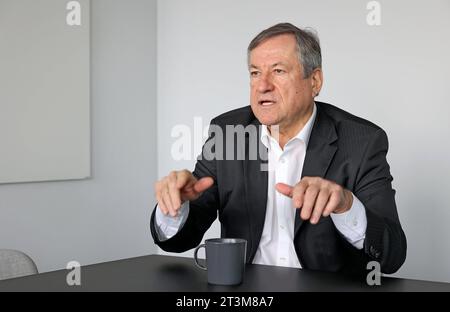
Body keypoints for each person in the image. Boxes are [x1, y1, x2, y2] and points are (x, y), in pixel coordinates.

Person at [150, 23, 407, 275]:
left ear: (315, 81)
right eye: (254, 73)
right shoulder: (227, 133)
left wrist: (346, 206)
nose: (262, 85)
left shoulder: (361, 141)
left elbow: (391, 254)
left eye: (278, 71)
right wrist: (176, 206)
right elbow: (180, 240)